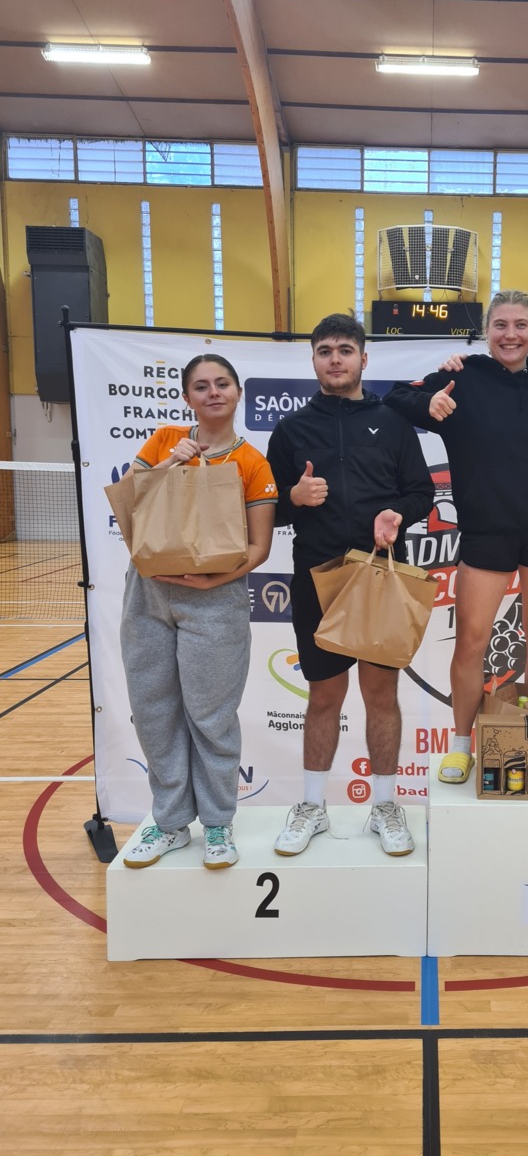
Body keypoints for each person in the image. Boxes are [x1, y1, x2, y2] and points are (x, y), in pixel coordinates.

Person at [384, 289, 528, 784]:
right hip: (486, 532)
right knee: (471, 641)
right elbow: (396, 399)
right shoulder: (462, 377)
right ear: (486, 331)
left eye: (520, 325)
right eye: (501, 325)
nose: (511, 335)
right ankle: (462, 745)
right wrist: (430, 399)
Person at [266, 313, 434, 857]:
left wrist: (397, 514)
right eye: (324, 351)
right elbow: (269, 508)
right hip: (317, 578)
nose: (335, 359)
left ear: (364, 358)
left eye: (344, 350)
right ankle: (312, 807)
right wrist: (294, 498)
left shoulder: (393, 422)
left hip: (381, 575)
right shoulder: (291, 430)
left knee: (381, 695)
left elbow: (422, 492)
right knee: (324, 696)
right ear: (313, 360)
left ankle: (385, 805)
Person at [120, 355, 277, 870]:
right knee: (154, 712)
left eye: (222, 383)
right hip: (148, 594)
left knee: (210, 717)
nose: (213, 392)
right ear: (187, 397)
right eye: (202, 386)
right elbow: (126, 506)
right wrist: (170, 464)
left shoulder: (252, 463)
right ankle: (169, 824)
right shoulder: (164, 441)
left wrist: (213, 580)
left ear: (237, 392)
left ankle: (217, 823)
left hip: (216, 600)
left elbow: (259, 548)